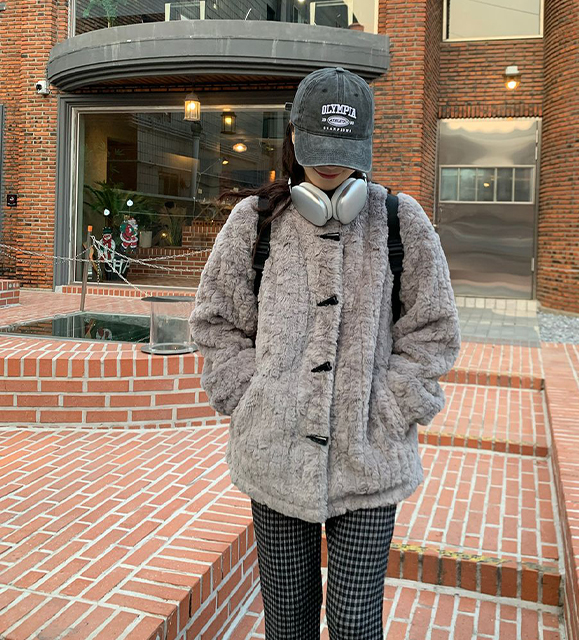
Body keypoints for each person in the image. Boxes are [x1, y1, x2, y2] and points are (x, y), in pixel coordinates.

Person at [189, 67, 461, 640]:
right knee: (286, 623)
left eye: (344, 150)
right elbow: (216, 322)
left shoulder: (399, 220)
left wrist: (387, 408)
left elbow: (433, 330)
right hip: (274, 456)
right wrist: (253, 396)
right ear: (293, 138)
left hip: (370, 459)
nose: (331, 165)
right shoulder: (255, 221)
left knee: (355, 623)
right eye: (318, 148)